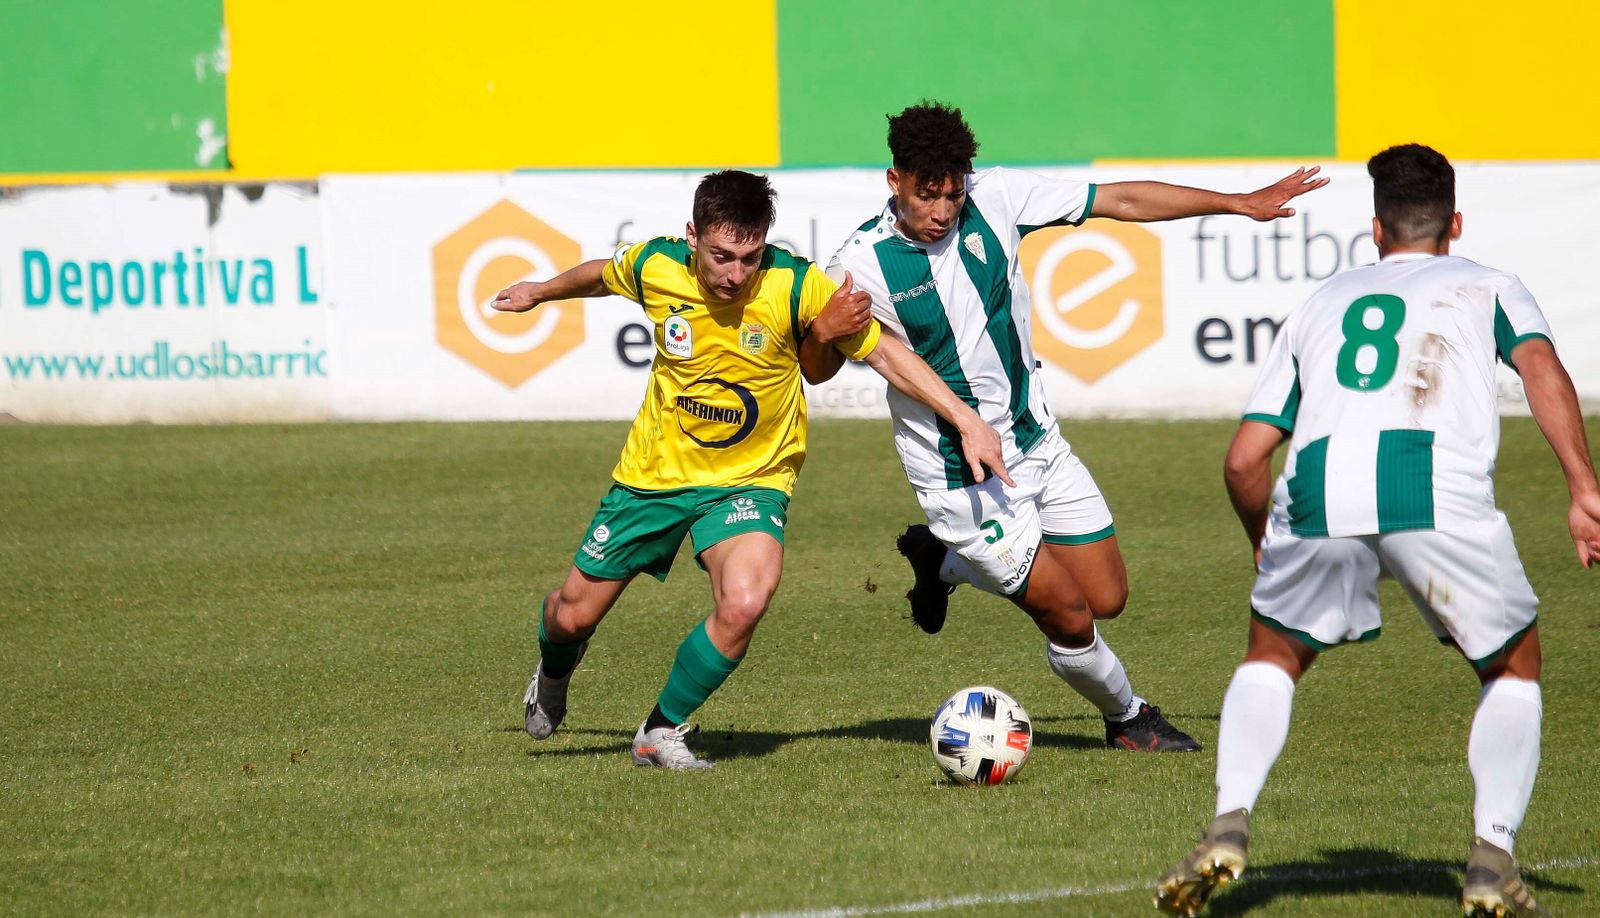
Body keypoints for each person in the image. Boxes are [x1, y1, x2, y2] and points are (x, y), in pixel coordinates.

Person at [1154, 144, 1600, 917]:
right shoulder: (1490, 284)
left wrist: (1265, 537)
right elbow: (1541, 370)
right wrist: (1583, 484)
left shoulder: (1320, 302)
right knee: (1512, 665)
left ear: (1375, 230)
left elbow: (1243, 460)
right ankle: (1493, 856)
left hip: (1319, 487)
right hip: (1433, 485)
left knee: (1274, 654)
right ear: (1454, 222)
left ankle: (1228, 822)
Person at [821, 101, 1326, 752]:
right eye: (928, 195)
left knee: (1106, 594)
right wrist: (951, 411)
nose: (943, 210)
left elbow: (1124, 200)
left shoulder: (997, 196)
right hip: (961, 477)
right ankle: (1128, 719)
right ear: (895, 181)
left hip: (1037, 443)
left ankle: (939, 560)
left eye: (953, 192)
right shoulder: (858, 265)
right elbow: (830, 367)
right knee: (1070, 613)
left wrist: (1236, 202)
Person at [494, 169, 1009, 770]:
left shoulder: (796, 283)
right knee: (569, 615)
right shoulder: (656, 265)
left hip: (752, 480)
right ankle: (554, 673)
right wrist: (541, 291)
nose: (735, 274)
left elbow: (884, 353)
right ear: (692, 237)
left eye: (749, 257)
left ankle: (659, 734)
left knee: (745, 600)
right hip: (653, 476)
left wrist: (962, 417)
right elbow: (600, 275)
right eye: (720, 257)